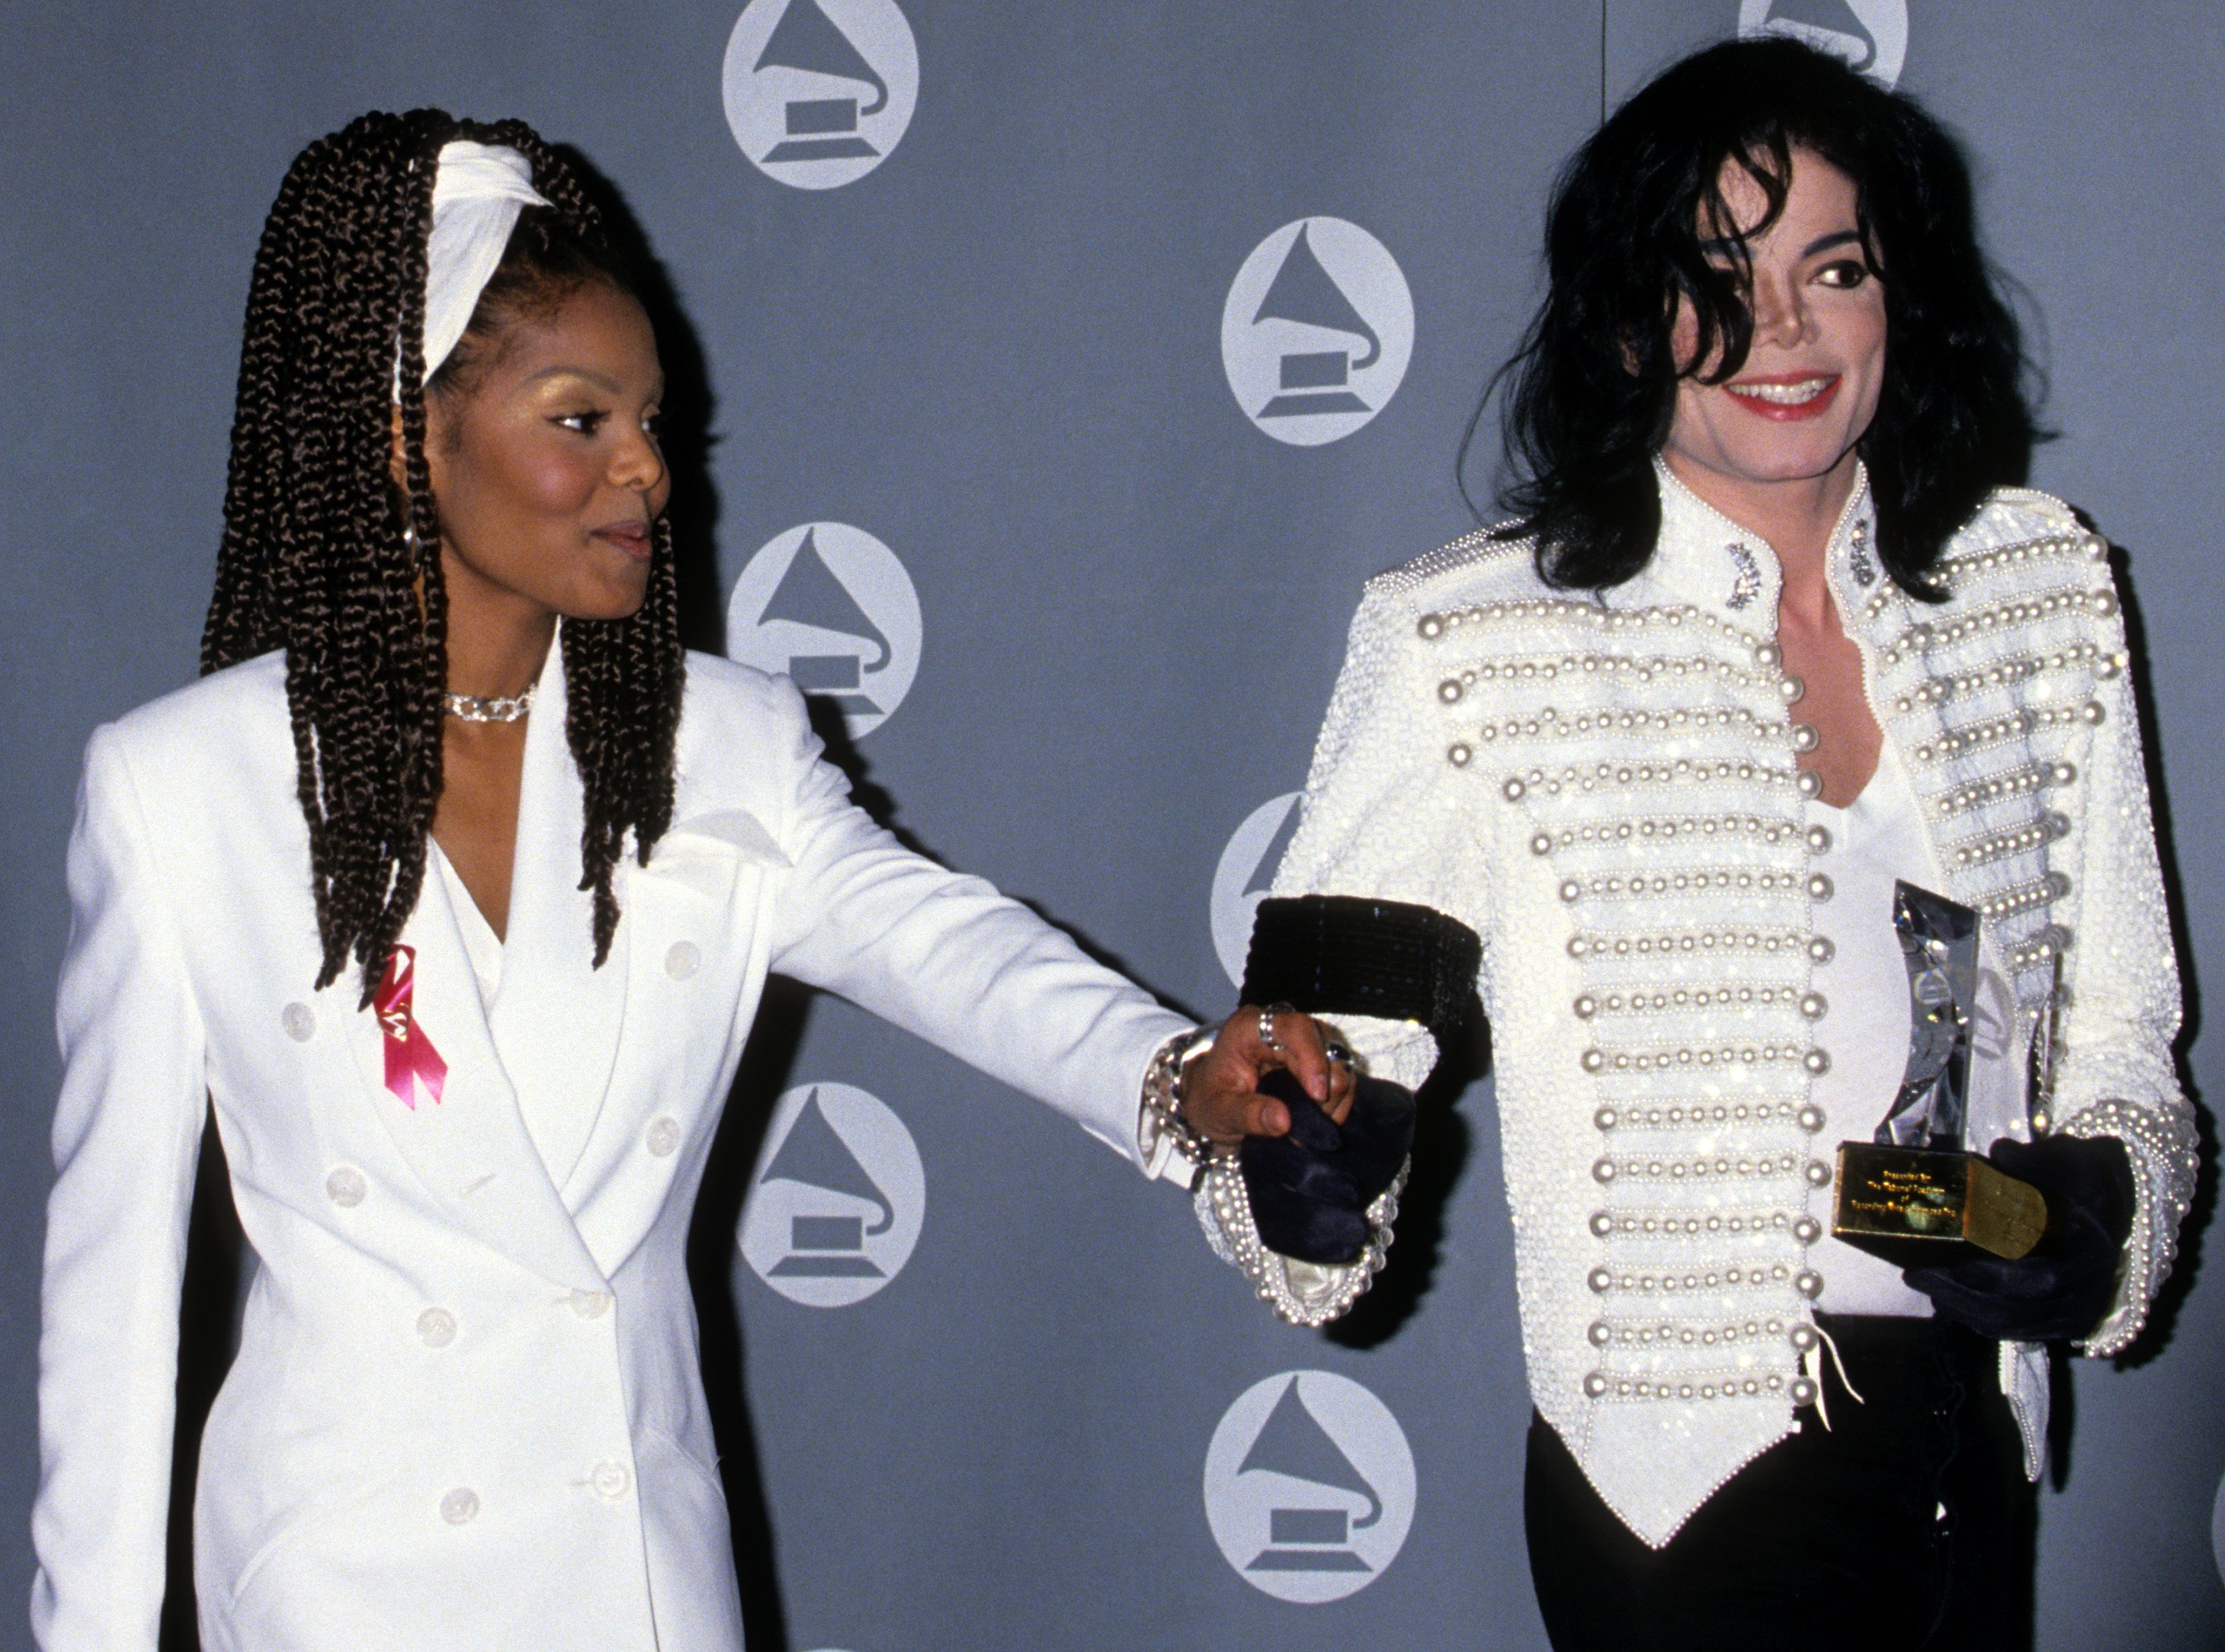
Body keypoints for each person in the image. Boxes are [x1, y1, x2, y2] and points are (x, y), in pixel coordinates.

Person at [31, 110, 1353, 1650]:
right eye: (579, 418)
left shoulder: (717, 745)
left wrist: (1168, 1073)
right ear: (406, 438)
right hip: (339, 1588)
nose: (646, 471)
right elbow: (109, 1311)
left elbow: (940, 943)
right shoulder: (183, 789)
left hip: (634, 1585)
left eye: (650, 420)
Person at [1242, 37, 2197, 1650]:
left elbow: (2121, 1036)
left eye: (1834, 268)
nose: (1784, 331)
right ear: (1627, 324)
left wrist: (2103, 1213)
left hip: (1972, 1445)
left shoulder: (2038, 595)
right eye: (1714, 278)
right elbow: (1305, 1069)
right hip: (1682, 1489)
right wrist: (1301, 1167)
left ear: (1900, 298)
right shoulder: (1468, 642)